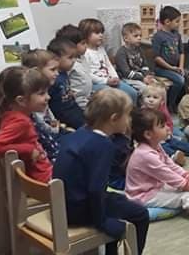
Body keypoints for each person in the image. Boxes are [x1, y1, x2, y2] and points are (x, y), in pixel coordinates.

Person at [53, 89, 149, 255]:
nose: (129, 120)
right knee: (140, 214)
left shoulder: (79, 133)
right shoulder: (103, 145)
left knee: (119, 200)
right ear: (114, 118)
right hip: (79, 211)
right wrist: (102, 222)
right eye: (127, 115)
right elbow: (96, 189)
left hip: (63, 205)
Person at [0, 67, 53, 182]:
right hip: (43, 178)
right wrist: (28, 150)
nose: (48, 97)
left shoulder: (9, 114)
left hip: (42, 173)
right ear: (21, 100)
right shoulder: (21, 122)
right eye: (41, 94)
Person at [142, 82, 189, 164]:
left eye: (155, 97)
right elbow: (141, 129)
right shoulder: (142, 113)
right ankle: (174, 157)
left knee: (177, 143)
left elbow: (169, 123)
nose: (151, 100)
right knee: (164, 147)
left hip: (165, 136)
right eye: (148, 97)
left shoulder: (162, 110)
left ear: (162, 101)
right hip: (152, 140)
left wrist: (168, 132)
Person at [78, 18, 138, 104]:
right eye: (97, 33)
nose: (101, 35)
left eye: (101, 32)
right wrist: (106, 81)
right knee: (113, 96)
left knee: (132, 93)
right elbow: (88, 75)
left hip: (110, 80)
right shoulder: (85, 52)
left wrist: (115, 77)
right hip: (96, 84)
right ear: (85, 34)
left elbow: (109, 65)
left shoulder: (101, 49)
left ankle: (131, 112)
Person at [21, 50, 65, 162]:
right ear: (37, 71)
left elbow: (49, 117)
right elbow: (44, 130)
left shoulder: (39, 96)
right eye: (53, 70)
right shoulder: (32, 104)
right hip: (52, 145)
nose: (57, 74)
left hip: (55, 136)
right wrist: (55, 128)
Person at [47, 37, 87, 129]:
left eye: (75, 57)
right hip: (64, 116)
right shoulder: (53, 79)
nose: (74, 60)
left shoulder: (64, 72)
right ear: (56, 59)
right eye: (70, 57)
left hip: (73, 108)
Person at [153, 6, 185, 112]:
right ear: (167, 22)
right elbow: (156, 57)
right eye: (177, 21)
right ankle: (170, 104)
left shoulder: (177, 35)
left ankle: (181, 103)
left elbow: (182, 53)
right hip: (162, 69)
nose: (179, 24)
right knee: (180, 80)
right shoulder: (158, 36)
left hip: (175, 68)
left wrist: (181, 67)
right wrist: (171, 68)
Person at [55, 24, 93, 109]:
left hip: (87, 98)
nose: (86, 46)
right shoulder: (69, 64)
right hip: (78, 103)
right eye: (83, 43)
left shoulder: (82, 58)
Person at [115, 22, 156, 93]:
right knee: (145, 89)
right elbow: (126, 73)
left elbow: (144, 65)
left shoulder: (139, 49)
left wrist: (146, 74)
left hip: (140, 76)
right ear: (126, 38)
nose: (139, 38)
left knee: (157, 85)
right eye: (136, 36)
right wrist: (142, 78)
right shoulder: (121, 53)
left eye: (140, 36)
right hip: (127, 78)